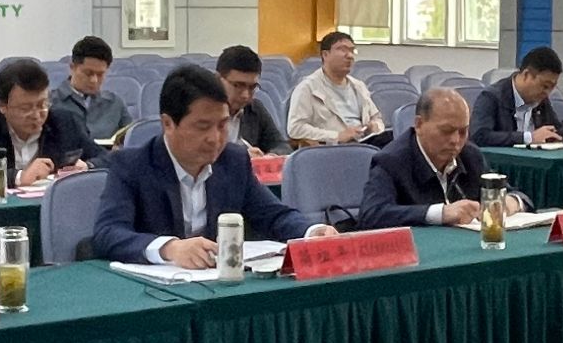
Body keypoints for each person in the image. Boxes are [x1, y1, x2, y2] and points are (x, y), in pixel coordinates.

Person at [92, 64, 336, 265]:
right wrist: (170, 248)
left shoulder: (233, 160)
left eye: (222, 125)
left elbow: (273, 215)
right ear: (168, 124)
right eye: (202, 126)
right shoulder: (132, 165)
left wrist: (312, 232)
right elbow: (108, 233)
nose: (215, 138)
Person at [360, 88, 522, 231]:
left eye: (463, 132)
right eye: (446, 131)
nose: (455, 140)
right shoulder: (391, 160)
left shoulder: (470, 155)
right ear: (419, 124)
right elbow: (372, 215)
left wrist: (509, 202)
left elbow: (516, 194)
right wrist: (441, 213)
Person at [0, 58, 94, 188]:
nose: (36, 115)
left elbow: (102, 157)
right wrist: (18, 177)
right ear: (2, 106)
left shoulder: (65, 121)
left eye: (42, 105)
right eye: (26, 108)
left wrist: (86, 166)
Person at [286, 31, 385, 145]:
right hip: (332, 148)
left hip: (365, 144)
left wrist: (374, 126)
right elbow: (295, 128)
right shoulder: (307, 88)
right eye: (342, 50)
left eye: (352, 50)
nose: (350, 56)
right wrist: (337, 136)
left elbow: (377, 118)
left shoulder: (359, 86)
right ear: (325, 55)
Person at [472, 45, 563, 148]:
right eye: (545, 86)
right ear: (526, 75)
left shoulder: (541, 99)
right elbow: (480, 136)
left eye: (552, 87)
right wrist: (528, 138)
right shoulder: (491, 97)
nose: (547, 92)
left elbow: (555, 128)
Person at [53, 34, 131, 142]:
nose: (94, 80)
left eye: (100, 74)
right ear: (72, 68)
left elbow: (131, 141)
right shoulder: (50, 103)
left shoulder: (115, 103)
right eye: (88, 73)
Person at [218, 44, 290, 156]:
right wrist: (240, 154)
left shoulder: (254, 109)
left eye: (252, 87)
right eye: (238, 85)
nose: (245, 95)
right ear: (219, 79)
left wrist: (270, 156)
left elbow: (281, 145)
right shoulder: (202, 109)